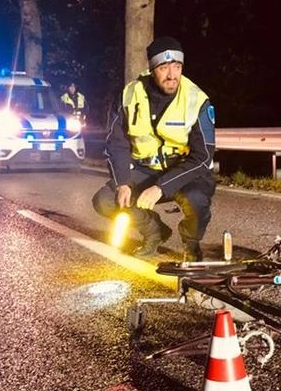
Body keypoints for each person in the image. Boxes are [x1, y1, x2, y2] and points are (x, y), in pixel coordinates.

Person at [92, 36, 216, 262]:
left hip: (184, 171)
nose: (172, 75)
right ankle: (154, 231)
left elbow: (203, 156)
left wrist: (161, 187)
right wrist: (123, 183)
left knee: (196, 199)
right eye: (164, 67)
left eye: (177, 67)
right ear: (151, 69)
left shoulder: (197, 99)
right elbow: (116, 144)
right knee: (106, 201)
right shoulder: (129, 95)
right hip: (145, 169)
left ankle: (191, 243)